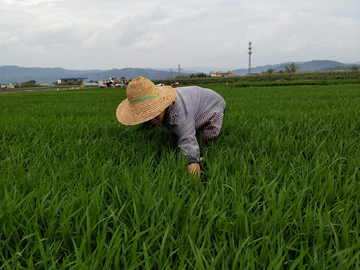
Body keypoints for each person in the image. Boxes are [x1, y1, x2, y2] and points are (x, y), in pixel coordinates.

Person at [116, 76, 226, 177]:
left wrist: (195, 188)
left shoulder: (180, 115)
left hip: (212, 104)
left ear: (162, 105)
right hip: (194, 99)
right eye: (147, 116)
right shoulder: (161, 104)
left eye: (154, 114)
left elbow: (189, 148)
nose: (151, 120)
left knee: (200, 138)